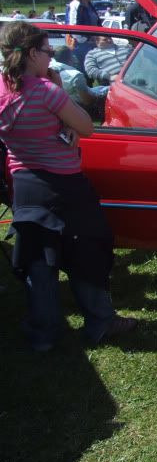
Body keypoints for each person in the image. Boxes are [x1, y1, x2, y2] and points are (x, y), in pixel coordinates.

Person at [0, 21, 136, 350]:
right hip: (65, 185)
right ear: (31, 53)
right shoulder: (46, 92)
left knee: (38, 260)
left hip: (25, 184)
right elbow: (87, 126)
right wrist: (58, 91)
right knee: (86, 251)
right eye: (47, 52)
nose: (51, 58)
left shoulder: (4, 90)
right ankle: (100, 321)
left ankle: (43, 331)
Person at [51, 45, 107, 120]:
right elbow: (88, 101)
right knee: (109, 90)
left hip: (65, 104)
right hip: (80, 108)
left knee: (102, 88)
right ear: (69, 57)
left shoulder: (49, 68)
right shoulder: (76, 76)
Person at [67, 0, 102, 69]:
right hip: (81, 47)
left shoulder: (90, 5)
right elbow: (74, 28)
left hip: (94, 45)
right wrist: (86, 39)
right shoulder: (75, 5)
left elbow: (98, 24)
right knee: (84, 73)